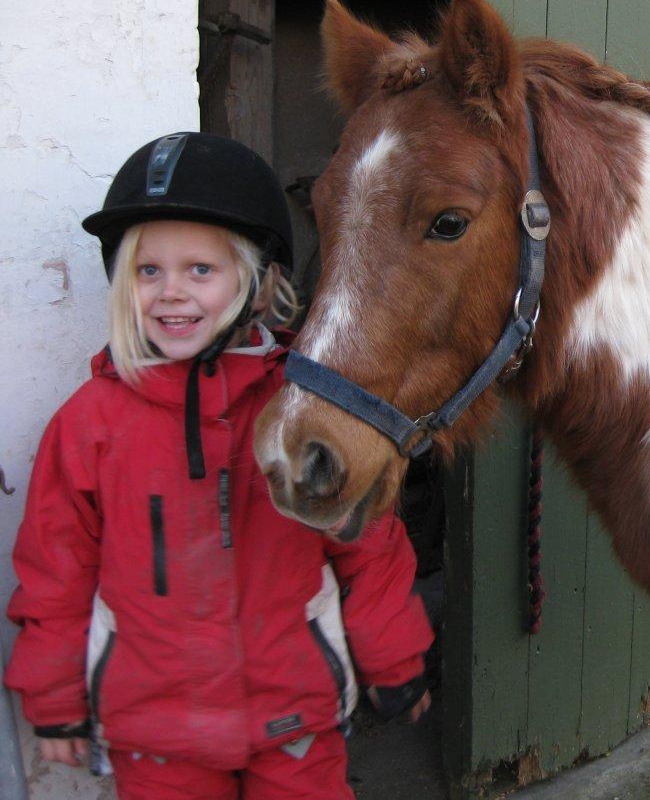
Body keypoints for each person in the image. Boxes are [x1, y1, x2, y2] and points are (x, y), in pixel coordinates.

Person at [4, 132, 433, 800]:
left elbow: (366, 542)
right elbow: (53, 574)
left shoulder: (298, 412)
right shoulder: (89, 425)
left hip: (295, 721)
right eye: (149, 271)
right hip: (156, 741)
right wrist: (54, 696)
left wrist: (394, 656)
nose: (170, 292)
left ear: (259, 283)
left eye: (199, 270)